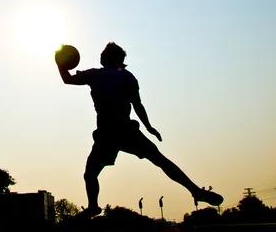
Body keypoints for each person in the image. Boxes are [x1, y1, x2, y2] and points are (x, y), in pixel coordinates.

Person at [56, 42, 223, 217]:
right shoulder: (127, 76)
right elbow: (137, 105)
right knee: (160, 160)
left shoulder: (96, 75)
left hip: (109, 133)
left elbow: (67, 79)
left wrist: (58, 62)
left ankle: (93, 206)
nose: (101, 55)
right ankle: (196, 191)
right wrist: (148, 126)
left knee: (90, 174)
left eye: (104, 53)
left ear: (108, 58)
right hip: (125, 129)